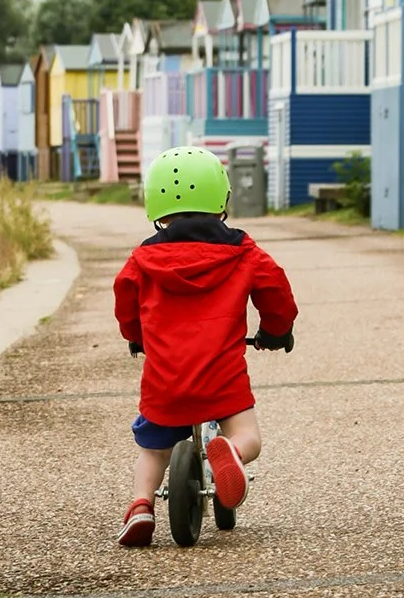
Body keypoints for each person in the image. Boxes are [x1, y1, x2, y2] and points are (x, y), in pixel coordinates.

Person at [112, 146, 298, 547]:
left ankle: (141, 506)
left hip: (165, 380)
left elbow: (125, 300)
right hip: (221, 376)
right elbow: (276, 290)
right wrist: (275, 330)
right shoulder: (243, 252)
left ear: (155, 203)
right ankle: (230, 451)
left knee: (153, 449)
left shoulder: (142, 259)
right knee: (249, 436)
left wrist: (136, 336)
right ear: (222, 198)